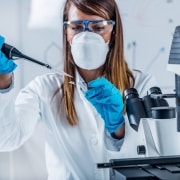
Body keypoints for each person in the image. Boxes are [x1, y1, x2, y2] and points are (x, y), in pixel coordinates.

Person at [0, 0, 157, 179]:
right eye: (76, 27)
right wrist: (3, 79)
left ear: (113, 33)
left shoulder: (141, 85)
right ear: (66, 33)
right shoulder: (43, 88)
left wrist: (119, 129)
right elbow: (6, 140)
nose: (87, 36)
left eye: (98, 28)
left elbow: (156, 159)